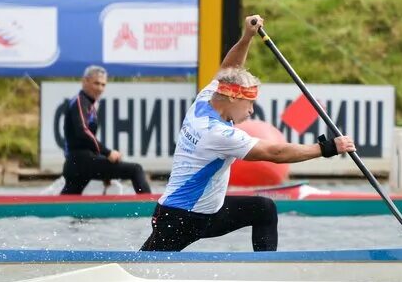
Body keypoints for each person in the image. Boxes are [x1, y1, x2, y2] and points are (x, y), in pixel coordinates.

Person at [140, 15, 355, 252]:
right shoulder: (216, 133)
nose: (252, 111)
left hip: (208, 213)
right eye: (249, 102)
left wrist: (247, 37)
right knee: (141, 269)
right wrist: (327, 148)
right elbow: (275, 152)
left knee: (263, 209)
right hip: (180, 218)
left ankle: (265, 273)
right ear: (232, 97)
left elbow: (230, 69)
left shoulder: (204, 100)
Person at [60, 65, 151, 195]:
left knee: (65, 205)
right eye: (96, 83)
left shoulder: (88, 103)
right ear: (85, 81)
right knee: (136, 169)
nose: (100, 88)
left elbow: (85, 141)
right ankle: (150, 209)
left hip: (77, 164)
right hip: (80, 161)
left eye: (103, 85)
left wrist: (103, 165)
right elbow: (82, 131)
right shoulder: (80, 101)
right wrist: (107, 153)